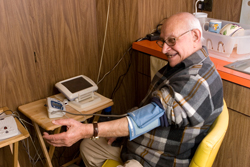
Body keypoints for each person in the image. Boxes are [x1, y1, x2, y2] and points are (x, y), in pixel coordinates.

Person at [43, 12, 223, 167]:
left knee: (89, 137)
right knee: (88, 147)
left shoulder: (197, 79)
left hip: (156, 160)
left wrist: (86, 129)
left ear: (195, 36)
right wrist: (118, 132)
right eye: (163, 42)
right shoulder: (181, 66)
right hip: (139, 146)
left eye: (172, 40)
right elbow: (146, 113)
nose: (165, 49)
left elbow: (146, 118)